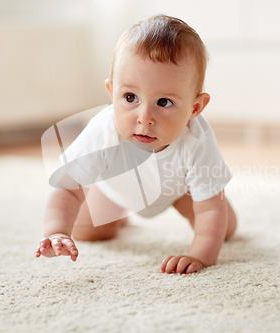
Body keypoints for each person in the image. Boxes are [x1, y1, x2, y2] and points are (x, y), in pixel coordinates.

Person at [35, 14, 237, 274]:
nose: (145, 118)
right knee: (87, 232)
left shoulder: (197, 140)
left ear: (194, 108)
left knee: (225, 228)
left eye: (164, 102)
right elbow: (67, 187)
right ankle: (118, 215)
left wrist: (199, 257)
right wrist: (56, 232)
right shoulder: (102, 132)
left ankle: (207, 213)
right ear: (111, 93)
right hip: (114, 187)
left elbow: (209, 208)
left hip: (178, 191)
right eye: (130, 97)